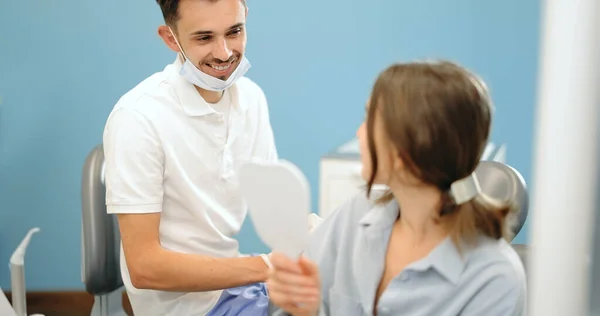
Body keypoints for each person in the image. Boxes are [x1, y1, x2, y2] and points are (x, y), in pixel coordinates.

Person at [266, 61, 527, 316]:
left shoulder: (494, 280)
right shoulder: (355, 215)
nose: (359, 133)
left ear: (405, 155)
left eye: (369, 120)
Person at [102, 0, 277, 314]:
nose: (224, 53)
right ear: (171, 38)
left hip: (236, 286)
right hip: (185, 307)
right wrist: (267, 266)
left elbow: (275, 208)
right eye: (204, 38)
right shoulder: (138, 117)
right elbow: (144, 267)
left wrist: (317, 237)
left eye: (234, 31)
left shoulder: (251, 99)